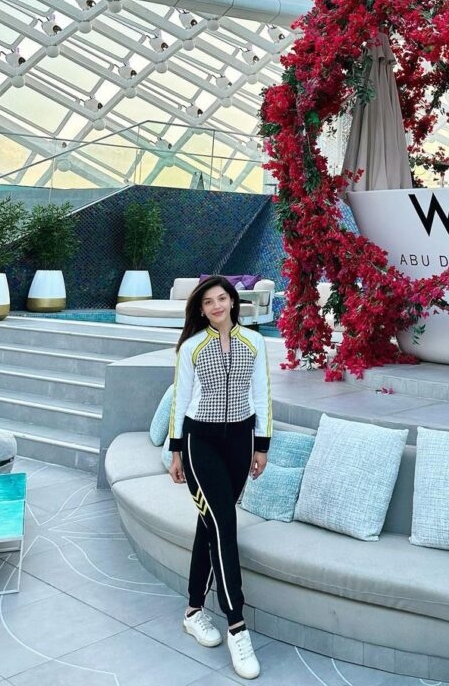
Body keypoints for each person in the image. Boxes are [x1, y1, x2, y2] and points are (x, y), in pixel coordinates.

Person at [168, 275, 271, 680]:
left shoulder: (254, 342)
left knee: (209, 524)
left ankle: (194, 610)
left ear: (233, 302)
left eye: (221, 298)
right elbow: (181, 398)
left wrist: (261, 446)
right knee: (225, 525)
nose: (216, 306)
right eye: (208, 301)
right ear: (200, 308)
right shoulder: (192, 346)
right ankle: (237, 625)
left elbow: (261, 393)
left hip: (240, 441)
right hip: (200, 443)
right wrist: (177, 450)